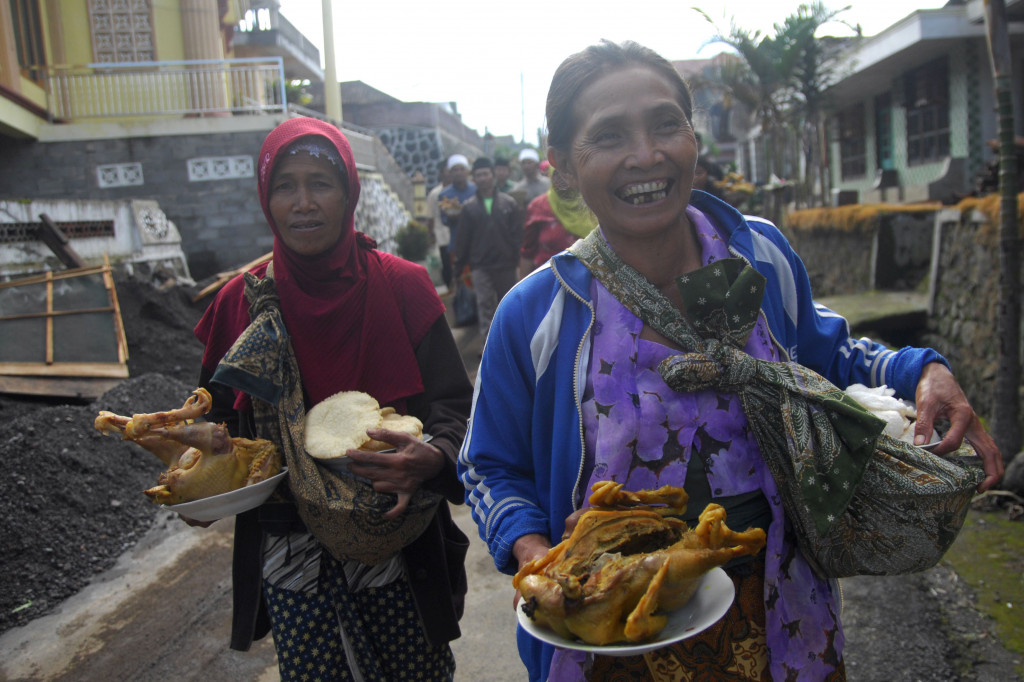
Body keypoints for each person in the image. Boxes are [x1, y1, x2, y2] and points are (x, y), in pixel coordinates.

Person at [456, 41, 1004, 682]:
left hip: (782, 610)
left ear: (693, 138)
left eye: (666, 124)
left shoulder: (758, 256)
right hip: (612, 629)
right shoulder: (540, 312)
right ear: (565, 170)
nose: (646, 154)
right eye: (608, 136)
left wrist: (921, 371)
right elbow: (488, 464)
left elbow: (830, 357)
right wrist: (539, 555)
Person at [193, 117, 473, 680]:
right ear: (265, 198)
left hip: (401, 540)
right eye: (284, 186)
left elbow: (456, 407)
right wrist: (207, 472)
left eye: (320, 183)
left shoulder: (402, 286)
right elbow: (216, 416)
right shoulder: (240, 305)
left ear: (349, 191)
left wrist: (436, 457)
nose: (303, 203)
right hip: (291, 554)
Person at [453, 156, 523, 342]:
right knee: (484, 306)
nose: (482, 178)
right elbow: (463, 241)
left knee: (508, 305)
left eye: (485, 174)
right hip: (480, 265)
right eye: (478, 175)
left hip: (506, 264)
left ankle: (511, 343)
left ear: (492, 176)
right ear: (473, 179)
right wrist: (458, 268)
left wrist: (516, 257)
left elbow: (517, 235)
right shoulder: (468, 208)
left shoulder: (509, 203)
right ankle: (488, 347)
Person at [518, 166, 598, 277]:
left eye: (567, 172)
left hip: (589, 280)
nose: (562, 178)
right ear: (551, 176)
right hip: (548, 281)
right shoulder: (538, 207)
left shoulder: (592, 204)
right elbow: (528, 252)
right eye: (557, 174)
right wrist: (523, 290)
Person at [438, 154, 477, 288]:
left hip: (477, 244)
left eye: (461, 169)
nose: (459, 172)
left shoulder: (476, 190)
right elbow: (444, 220)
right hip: (456, 244)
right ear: (450, 173)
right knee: (461, 283)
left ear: (467, 171)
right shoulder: (444, 195)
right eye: (455, 169)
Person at [426, 159, 453, 288]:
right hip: (443, 239)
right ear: (441, 173)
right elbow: (430, 218)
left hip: (462, 238)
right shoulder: (435, 194)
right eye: (447, 171)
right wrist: (430, 237)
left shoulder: (465, 191)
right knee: (447, 269)